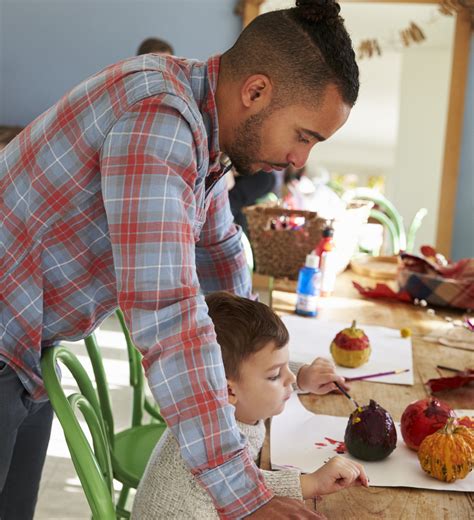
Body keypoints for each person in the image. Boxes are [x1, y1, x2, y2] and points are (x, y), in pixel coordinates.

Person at [0, 0, 359, 517]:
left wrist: (277, 369)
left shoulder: (201, 127)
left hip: (25, 340)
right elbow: (168, 311)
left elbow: (219, 251)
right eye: (304, 136)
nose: (300, 161)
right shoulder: (159, 121)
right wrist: (243, 492)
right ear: (255, 92)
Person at [131, 291, 368, 520]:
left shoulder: (224, 401)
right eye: (276, 375)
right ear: (229, 390)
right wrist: (310, 483)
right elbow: (237, 484)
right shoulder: (211, 440)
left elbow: (256, 368)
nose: (291, 379)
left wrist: (302, 375)